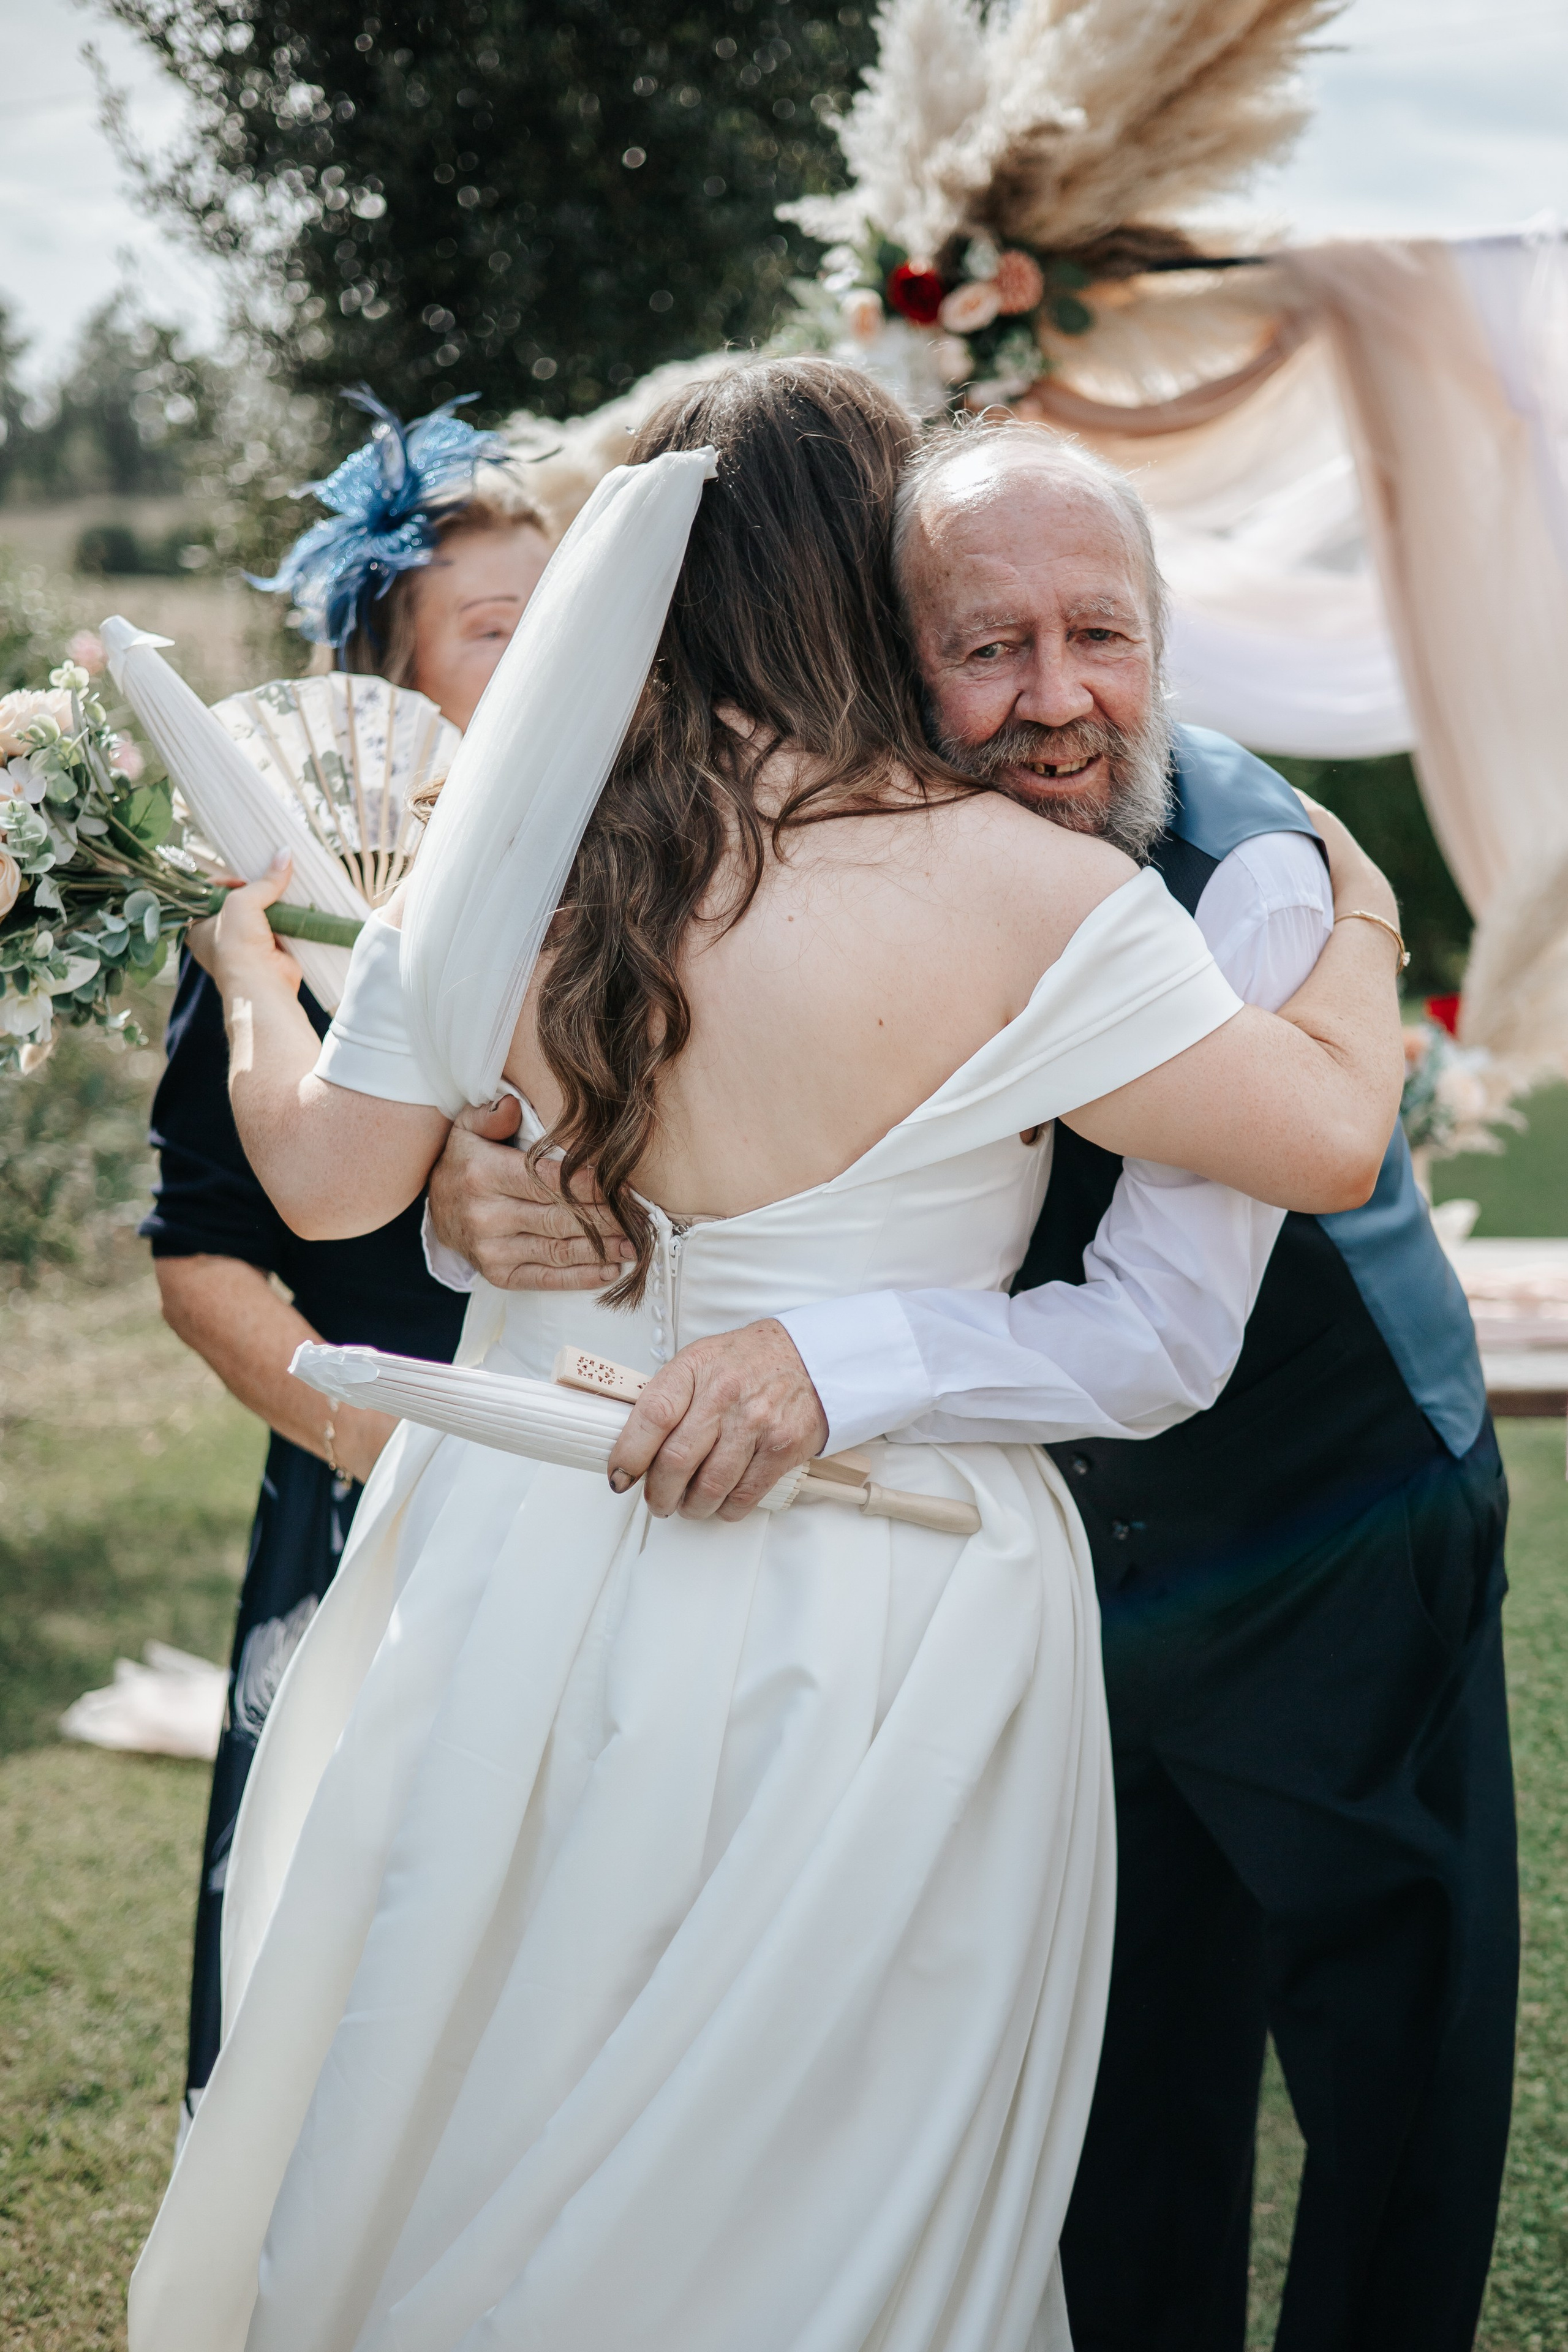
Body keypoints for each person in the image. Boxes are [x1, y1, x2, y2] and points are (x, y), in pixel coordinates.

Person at [129, 359, 1404, 2352]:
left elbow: (315, 1186)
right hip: (888, 1617)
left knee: (488, 2092)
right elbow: (1326, 1142)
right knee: (846, 2194)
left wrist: (243, 963)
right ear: (867, 583)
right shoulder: (1026, 889)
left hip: (514, 1572)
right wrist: (1356, 929)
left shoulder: (492, 870)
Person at [437, 420, 1511, 2352]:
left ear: (1166, 637)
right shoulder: (867, 858)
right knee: (1120, 2031)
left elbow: (1162, 1332)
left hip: (1327, 1502)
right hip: (1051, 1536)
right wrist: (494, 1187)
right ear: (884, 652)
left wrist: (820, 1360)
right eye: (986, 645)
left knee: (1387, 2029)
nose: (1055, 698)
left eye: (1100, 635)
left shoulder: (1253, 879)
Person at [143, 389, 553, 2134]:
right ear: (384, 675)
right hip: (363, 1469)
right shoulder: (277, 917)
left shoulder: (619, 876)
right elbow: (201, 1262)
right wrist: (379, 1456)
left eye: (562, 625)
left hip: (580, 1468)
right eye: (490, 630)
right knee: (338, 1891)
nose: (536, 665)